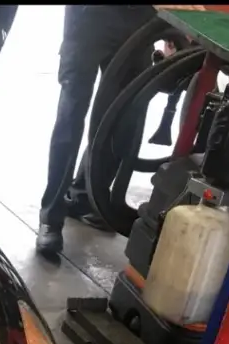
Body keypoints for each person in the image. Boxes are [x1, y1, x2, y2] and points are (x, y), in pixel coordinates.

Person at [36, 5, 158, 257]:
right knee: (71, 113)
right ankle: (51, 215)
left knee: (121, 117)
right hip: (89, 15)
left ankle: (82, 197)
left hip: (140, 16)